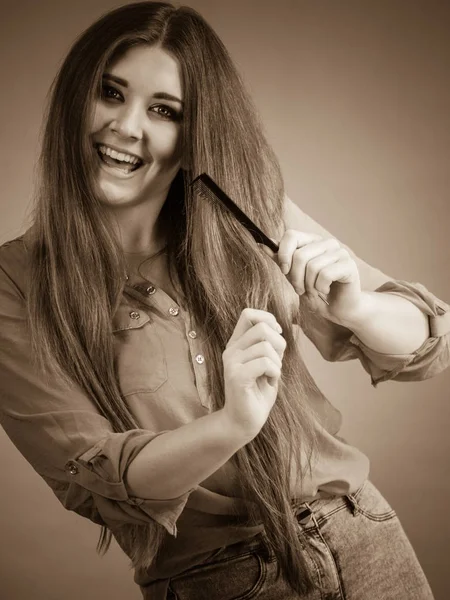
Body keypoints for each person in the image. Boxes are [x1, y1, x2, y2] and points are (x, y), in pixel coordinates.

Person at [0, 2, 449, 599]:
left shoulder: (244, 213)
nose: (128, 126)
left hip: (363, 538)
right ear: (74, 100)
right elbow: (97, 475)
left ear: (194, 135)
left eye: (164, 111)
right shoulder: (16, 281)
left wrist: (357, 310)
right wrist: (232, 423)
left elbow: (429, 344)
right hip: (215, 580)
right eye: (110, 94)